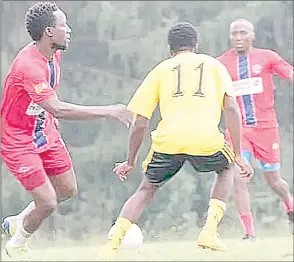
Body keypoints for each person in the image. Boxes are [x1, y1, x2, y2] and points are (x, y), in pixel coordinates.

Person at [98, 22, 253, 260]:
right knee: (226, 167)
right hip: (206, 139)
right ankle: (209, 232)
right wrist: (239, 154)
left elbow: (140, 122)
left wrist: (129, 161)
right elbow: (231, 108)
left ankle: (112, 243)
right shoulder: (214, 66)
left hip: (168, 141)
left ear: (171, 50)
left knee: (147, 188)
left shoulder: (161, 70)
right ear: (196, 46)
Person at [0, 2, 132, 260]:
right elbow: (58, 108)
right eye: (63, 25)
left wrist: (49, 114)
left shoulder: (53, 54)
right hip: (18, 140)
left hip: (45, 131)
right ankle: (17, 245)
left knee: (67, 190)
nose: (69, 30)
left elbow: (48, 100)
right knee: (47, 202)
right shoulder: (28, 65)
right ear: (49, 31)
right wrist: (109, 111)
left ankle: (19, 221)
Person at [217, 18, 294, 241]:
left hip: (266, 129)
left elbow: (288, 72)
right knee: (239, 177)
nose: (238, 37)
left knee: (274, 181)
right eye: (234, 33)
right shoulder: (221, 63)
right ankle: (249, 233)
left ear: (253, 36)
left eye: (243, 33)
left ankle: (289, 205)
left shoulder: (267, 57)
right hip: (237, 129)